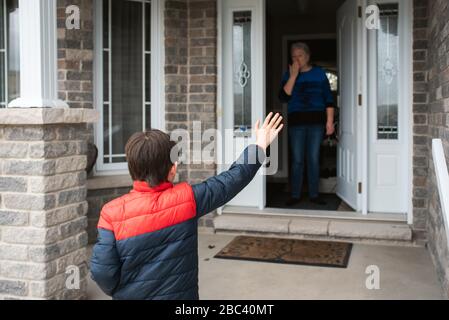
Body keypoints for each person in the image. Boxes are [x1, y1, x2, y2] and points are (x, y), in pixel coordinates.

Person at [90, 113, 284, 300]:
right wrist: (259, 145)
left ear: (132, 168)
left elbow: (102, 273)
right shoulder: (187, 200)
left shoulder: (111, 213)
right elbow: (234, 178)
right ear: (173, 169)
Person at [279, 42, 335, 206]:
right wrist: (293, 76)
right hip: (297, 124)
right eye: (293, 56)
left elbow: (328, 99)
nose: (296, 59)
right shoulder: (288, 74)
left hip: (317, 123)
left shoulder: (319, 73)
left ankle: (314, 195)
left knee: (313, 159)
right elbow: (284, 97)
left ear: (307, 56)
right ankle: (295, 195)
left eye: (300, 56)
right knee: (297, 160)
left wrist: (330, 122)